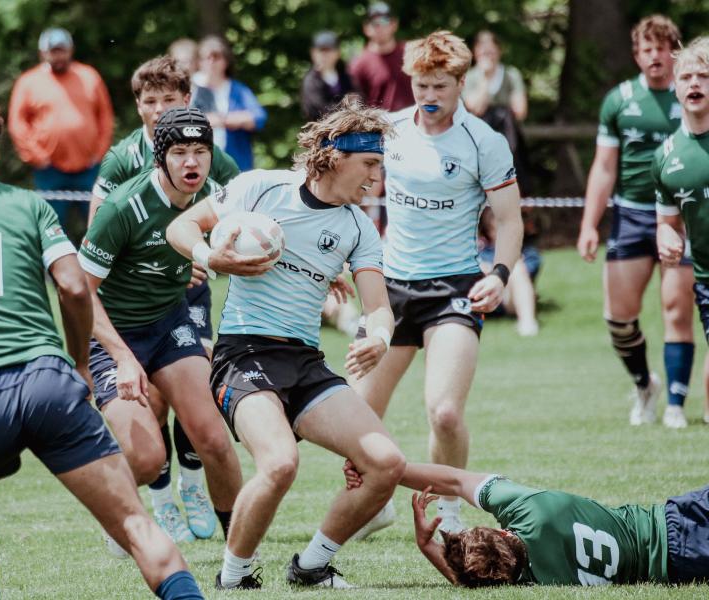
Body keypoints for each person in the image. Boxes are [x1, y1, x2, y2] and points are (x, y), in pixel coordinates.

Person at [0, 90, 203, 600]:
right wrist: (80, 366)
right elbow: (72, 286)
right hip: (51, 384)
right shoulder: (29, 205)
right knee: (135, 523)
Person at [166, 96, 406, 590]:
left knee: (386, 464)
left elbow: (379, 305)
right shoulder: (262, 188)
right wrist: (213, 259)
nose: (375, 178)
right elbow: (181, 225)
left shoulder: (358, 227)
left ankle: (312, 565)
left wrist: (379, 336)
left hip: (304, 362)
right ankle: (233, 577)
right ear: (335, 155)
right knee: (279, 463)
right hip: (243, 356)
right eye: (370, 164)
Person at [351, 30, 523, 539]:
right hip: (391, 291)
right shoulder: (390, 130)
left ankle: (448, 513)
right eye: (421, 85)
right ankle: (375, 500)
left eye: (439, 86)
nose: (428, 96)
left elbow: (510, 222)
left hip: (454, 290)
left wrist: (500, 274)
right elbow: (345, 184)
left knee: (445, 413)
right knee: (352, 415)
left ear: (461, 83)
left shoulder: (483, 142)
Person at [89, 55, 240, 543]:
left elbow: (257, 227)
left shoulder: (220, 183)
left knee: (215, 436)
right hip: (116, 329)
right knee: (148, 452)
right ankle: (125, 508)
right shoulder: (122, 201)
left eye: (200, 151)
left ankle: (239, 553)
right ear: (159, 156)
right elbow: (78, 291)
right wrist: (115, 355)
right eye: (180, 153)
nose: (191, 161)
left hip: (171, 315)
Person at [577, 15, 694, 429]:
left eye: (662, 48)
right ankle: (646, 384)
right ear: (636, 56)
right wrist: (590, 224)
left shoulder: (694, 94)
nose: (655, 56)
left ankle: (677, 405)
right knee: (619, 317)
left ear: (674, 52)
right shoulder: (620, 100)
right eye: (647, 50)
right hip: (632, 215)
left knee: (676, 309)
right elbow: (605, 168)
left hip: (683, 216)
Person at [342, 461, 709, 586]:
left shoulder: (535, 579)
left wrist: (427, 547)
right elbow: (455, 480)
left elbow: (471, 582)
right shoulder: (531, 513)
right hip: (673, 523)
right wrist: (383, 467)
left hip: (682, 563)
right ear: (502, 531)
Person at [8, 27, 114, 239]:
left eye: (62, 50)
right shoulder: (29, 82)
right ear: (42, 53)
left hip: (89, 168)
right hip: (50, 171)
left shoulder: (89, 76)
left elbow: (105, 117)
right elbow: (17, 123)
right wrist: (37, 157)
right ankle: (54, 272)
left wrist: (100, 153)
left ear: (70, 50)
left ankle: (101, 270)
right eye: (53, 51)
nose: (58, 56)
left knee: (100, 227)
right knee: (52, 230)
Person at [654, 35, 709, 426]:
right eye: (687, 76)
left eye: (704, 76)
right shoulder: (666, 157)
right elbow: (667, 222)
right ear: (675, 86)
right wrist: (666, 236)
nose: (695, 84)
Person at [463, 30, 531, 193]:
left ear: (499, 51)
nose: (488, 55)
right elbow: (475, 108)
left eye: (491, 51)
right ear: (475, 52)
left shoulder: (511, 75)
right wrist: (485, 79)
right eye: (483, 51)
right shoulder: (470, 76)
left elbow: (520, 111)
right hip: (479, 137)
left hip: (509, 138)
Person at [193, 35, 267, 171]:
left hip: (235, 164)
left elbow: (258, 118)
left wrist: (221, 120)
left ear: (226, 61)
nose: (211, 62)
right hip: (198, 166)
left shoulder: (238, 90)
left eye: (216, 57)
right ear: (199, 62)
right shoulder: (192, 90)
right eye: (206, 58)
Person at [478, 208, 540, 336]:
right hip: (478, 297)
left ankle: (527, 322)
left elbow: (524, 276)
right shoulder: (480, 251)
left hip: (505, 299)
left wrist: (492, 271)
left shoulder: (528, 253)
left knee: (516, 266)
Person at [349, 2, 414, 112]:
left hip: (414, 123)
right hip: (380, 126)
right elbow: (354, 106)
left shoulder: (411, 52)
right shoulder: (359, 64)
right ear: (366, 28)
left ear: (394, 24)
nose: (379, 27)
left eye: (384, 21)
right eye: (374, 23)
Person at [300, 31, 357, 122]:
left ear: (338, 53)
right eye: (321, 51)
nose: (324, 55)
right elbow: (321, 110)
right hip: (321, 132)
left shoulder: (346, 77)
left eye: (329, 50)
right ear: (313, 53)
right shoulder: (311, 81)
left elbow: (358, 99)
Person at [168, 38, 215, 112]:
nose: (186, 67)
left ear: (196, 63)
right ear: (172, 63)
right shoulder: (165, 92)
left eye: (189, 61)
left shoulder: (206, 93)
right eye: (181, 62)